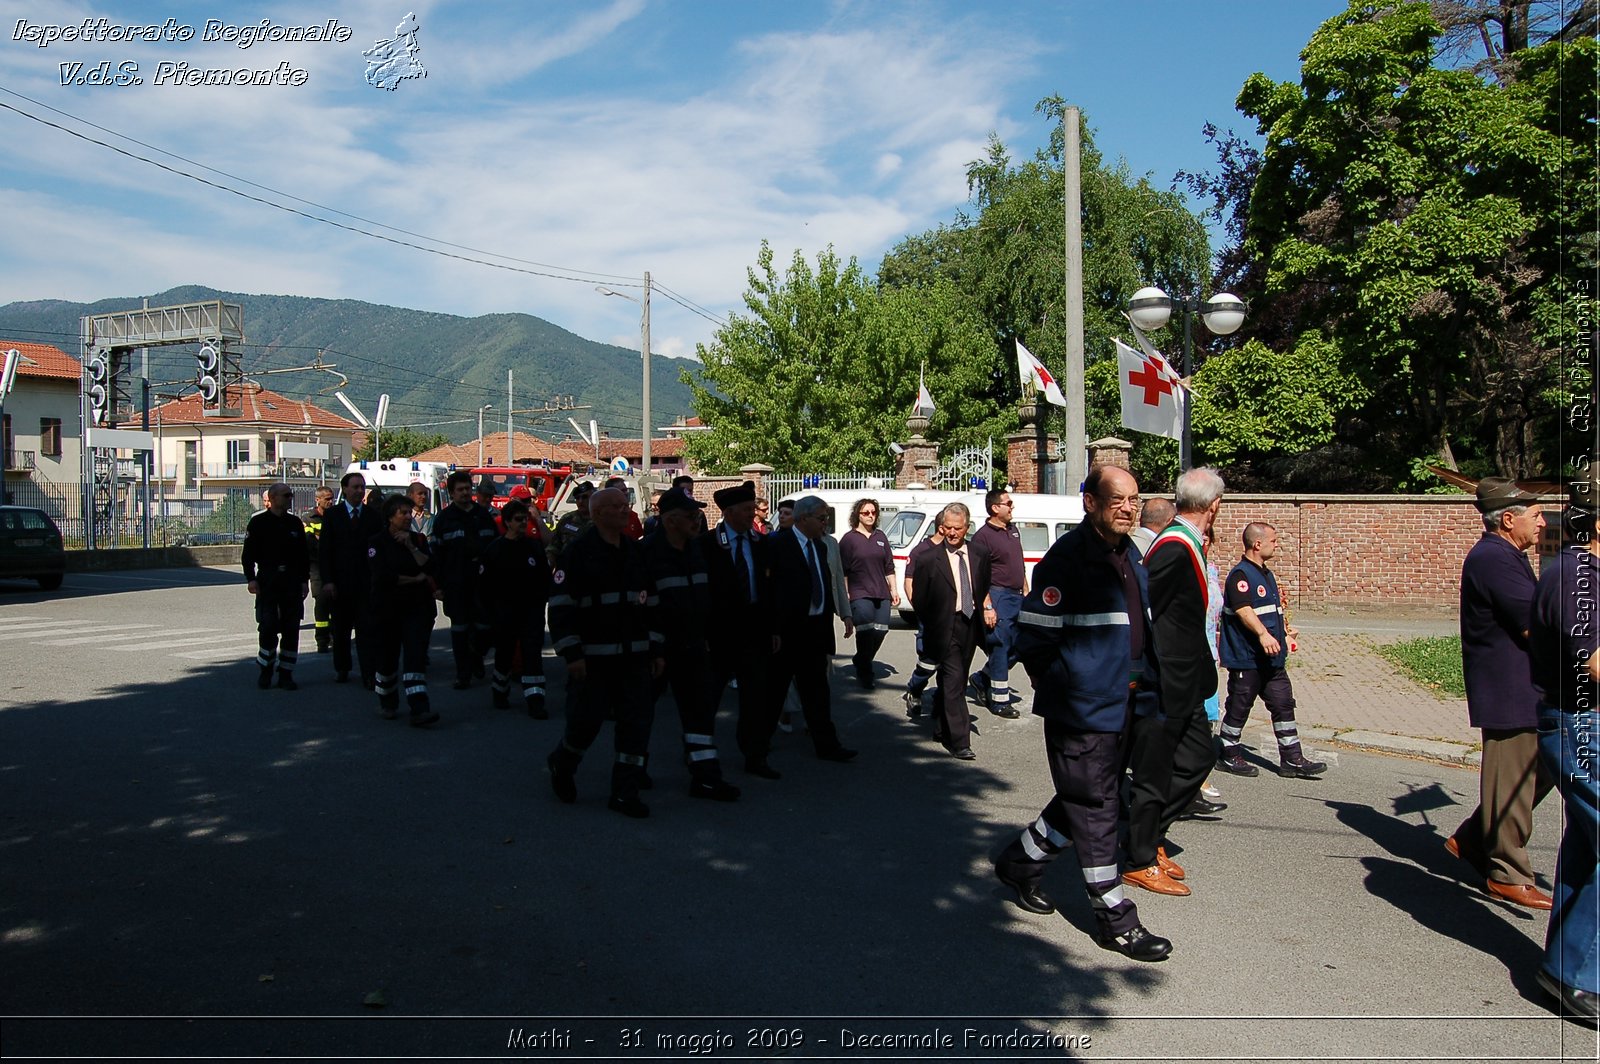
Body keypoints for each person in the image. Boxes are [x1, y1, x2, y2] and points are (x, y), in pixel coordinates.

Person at [992, 465, 1171, 962]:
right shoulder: (1066, 560)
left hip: (1129, 702)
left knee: (1090, 794)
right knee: (1097, 806)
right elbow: (1034, 639)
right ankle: (1115, 917)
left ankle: (1020, 860)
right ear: (1089, 502)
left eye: (1134, 499)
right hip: (1084, 707)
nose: (1129, 508)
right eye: (1118, 500)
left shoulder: (1129, 553)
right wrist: (1069, 689)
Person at [1443, 476, 1554, 909]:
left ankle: (1472, 839)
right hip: (1511, 688)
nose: (1543, 522)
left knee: (1538, 772)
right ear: (1508, 520)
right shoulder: (1495, 559)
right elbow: (1534, 626)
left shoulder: (1507, 554)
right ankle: (1507, 872)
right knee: (1511, 781)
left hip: (1524, 686)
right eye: (1536, 515)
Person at [1124, 467, 1227, 898]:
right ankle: (1138, 856)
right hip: (1166, 681)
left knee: (1197, 759)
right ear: (1215, 505)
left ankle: (1150, 836)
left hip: (1185, 681)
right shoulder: (1172, 546)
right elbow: (1148, 612)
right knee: (1155, 771)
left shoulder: (1188, 543)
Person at [1526, 469, 1600, 1024]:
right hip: (1580, 723)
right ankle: (1577, 975)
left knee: (1586, 848)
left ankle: (1565, 969)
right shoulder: (1578, 577)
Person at [546, 487, 664, 818]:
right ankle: (563, 763)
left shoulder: (633, 551)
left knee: (636, 725)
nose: (623, 510)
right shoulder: (578, 552)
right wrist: (572, 654)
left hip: (635, 658)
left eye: (625, 505)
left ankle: (624, 792)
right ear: (597, 514)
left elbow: (650, 603)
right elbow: (561, 607)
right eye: (614, 506)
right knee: (585, 723)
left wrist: (656, 649)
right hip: (594, 660)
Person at [641, 486, 740, 801]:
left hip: (694, 648)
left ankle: (706, 778)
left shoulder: (697, 550)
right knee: (640, 713)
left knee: (699, 714)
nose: (697, 520)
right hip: (657, 651)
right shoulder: (646, 555)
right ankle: (633, 771)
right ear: (670, 521)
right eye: (690, 515)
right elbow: (643, 609)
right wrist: (654, 649)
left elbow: (706, 600)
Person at [1216, 522, 1326, 779]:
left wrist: (1284, 634)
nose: (1277, 545)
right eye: (1274, 541)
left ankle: (1292, 759)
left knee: (1283, 703)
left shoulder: (1266, 574)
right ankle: (1228, 753)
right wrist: (1263, 634)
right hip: (1248, 658)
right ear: (1257, 544)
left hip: (1272, 659)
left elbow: (1271, 612)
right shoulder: (1240, 575)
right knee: (1240, 705)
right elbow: (1244, 611)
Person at [765, 494, 858, 766]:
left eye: (826, 518)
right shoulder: (778, 544)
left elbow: (828, 584)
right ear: (802, 519)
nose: (825, 523)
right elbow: (770, 592)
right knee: (774, 693)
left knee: (818, 692)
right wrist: (773, 630)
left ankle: (827, 745)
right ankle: (757, 747)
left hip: (815, 631)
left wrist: (839, 617)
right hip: (787, 631)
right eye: (821, 518)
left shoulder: (820, 547)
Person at [701, 481, 778, 778]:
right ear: (729, 512)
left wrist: (773, 629)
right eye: (747, 510)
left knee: (756, 698)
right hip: (719, 634)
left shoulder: (760, 544)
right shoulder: (707, 545)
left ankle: (755, 755)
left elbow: (769, 590)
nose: (752, 515)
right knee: (709, 697)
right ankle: (698, 751)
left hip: (754, 633)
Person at [912, 502, 991, 760]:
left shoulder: (979, 554)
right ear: (941, 527)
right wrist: (933, 624)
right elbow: (920, 600)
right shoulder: (928, 558)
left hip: (970, 624)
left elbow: (983, 585)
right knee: (955, 680)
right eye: (948, 528)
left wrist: (986, 609)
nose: (953, 533)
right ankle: (960, 741)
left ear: (967, 528)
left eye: (958, 528)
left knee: (953, 680)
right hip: (943, 626)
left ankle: (940, 725)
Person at [368, 493, 440, 727]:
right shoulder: (377, 542)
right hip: (387, 609)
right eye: (404, 513)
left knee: (415, 658)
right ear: (390, 517)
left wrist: (410, 547)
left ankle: (419, 708)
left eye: (410, 513)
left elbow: (429, 566)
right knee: (387, 659)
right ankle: (387, 701)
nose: (409, 517)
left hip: (416, 608)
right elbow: (382, 577)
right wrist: (414, 578)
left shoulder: (418, 540)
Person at [478, 498, 553, 717]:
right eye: (519, 519)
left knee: (532, 656)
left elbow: (544, 578)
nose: (523, 523)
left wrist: (540, 603)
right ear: (508, 522)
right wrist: (490, 614)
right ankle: (500, 691)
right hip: (504, 613)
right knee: (504, 654)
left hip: (531, 612)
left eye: (525, 519)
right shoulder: (495, 550)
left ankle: (535, 700)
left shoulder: (533, 546)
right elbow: (484, 586)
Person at [431, 470, 499, 690]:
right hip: (456, 583)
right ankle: (463, 673)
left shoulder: (483, 516)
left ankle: (477, 655)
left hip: (483, 584)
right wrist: (438, 585)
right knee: (459, 629)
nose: (464, 493)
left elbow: (495, 549)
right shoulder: (444, 519)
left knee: (484, 628)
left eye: (467, 489)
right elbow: (436, 555)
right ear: (451, 493)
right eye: (460, 490)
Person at [318, 471, 384, 688]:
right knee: (341, 630)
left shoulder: (373, 516)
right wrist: (328, 581)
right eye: (355, 487)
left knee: (366, 631)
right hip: (340, 584)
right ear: (345, 489)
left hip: (365, 585)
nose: (359, 491)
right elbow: (325, 551)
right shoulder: (333, 515)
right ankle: (342, 667)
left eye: (361, 487)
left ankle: (368, 672)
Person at [242, 483, 310, 691]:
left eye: (291, 495)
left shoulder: (295, 523)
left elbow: (302, 555)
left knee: (291, 629)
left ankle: (286, 674)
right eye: (286, 495)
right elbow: (248, 555)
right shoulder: (259, 523)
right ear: (272, 498)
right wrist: (251, 579)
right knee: (268, 627)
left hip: (291, 583)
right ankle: (266, 670)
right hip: (268, 582)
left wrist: (303, 581)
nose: (290, 499)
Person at [969, 488, 1026, 719]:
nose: (1012, 507)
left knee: (1021, 645)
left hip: (1017, 596)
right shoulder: (983, 536)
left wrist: (1026, 591)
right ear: (995, 508)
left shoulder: (1013, 530)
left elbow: (1018, 563)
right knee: (1000, 646)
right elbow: (977, 575)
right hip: (997, 595)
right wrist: (987, 605)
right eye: (1008, 503)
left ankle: (982, 678)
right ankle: (1000, 701)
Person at [838, 497, 900, 689]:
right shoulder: (849, 540)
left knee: (881, 630)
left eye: (873, 513)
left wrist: (894, 589)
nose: (870, 516)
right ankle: (865, 671)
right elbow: (843, 570)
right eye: (866, 513)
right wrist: (846, 593)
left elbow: (889, 566)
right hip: (859, 592)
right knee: (865, 631)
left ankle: (861, 659)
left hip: (881, 592)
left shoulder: (880, 537)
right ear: (858, 515)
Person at [901, 526, 946, 718]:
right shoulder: (921, 551)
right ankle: (915, 689)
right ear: (942, 528)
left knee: (950, 663)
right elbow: (909, 581)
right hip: (929, 615)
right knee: (929, 661)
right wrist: (919, 609)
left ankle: (943, 701)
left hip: (952, 616)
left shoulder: (959, 550)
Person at [301, 485, 335, 654]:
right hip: (317, 568)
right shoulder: (309, 518)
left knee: (336, 604)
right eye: (327, 499)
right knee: (321, 603)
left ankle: (335, 636)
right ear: (318, 500)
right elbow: (309, 543)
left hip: (335, 566)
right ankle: (322, 639)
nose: (331, 501)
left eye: (332, 498)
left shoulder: (336, 516)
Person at [546, 481, 594, 568]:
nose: (580, 501)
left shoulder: (602, 520)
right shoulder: (567, 519)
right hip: (567, 569)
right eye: (577, 498)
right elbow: (554, 546)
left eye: (584, 497)